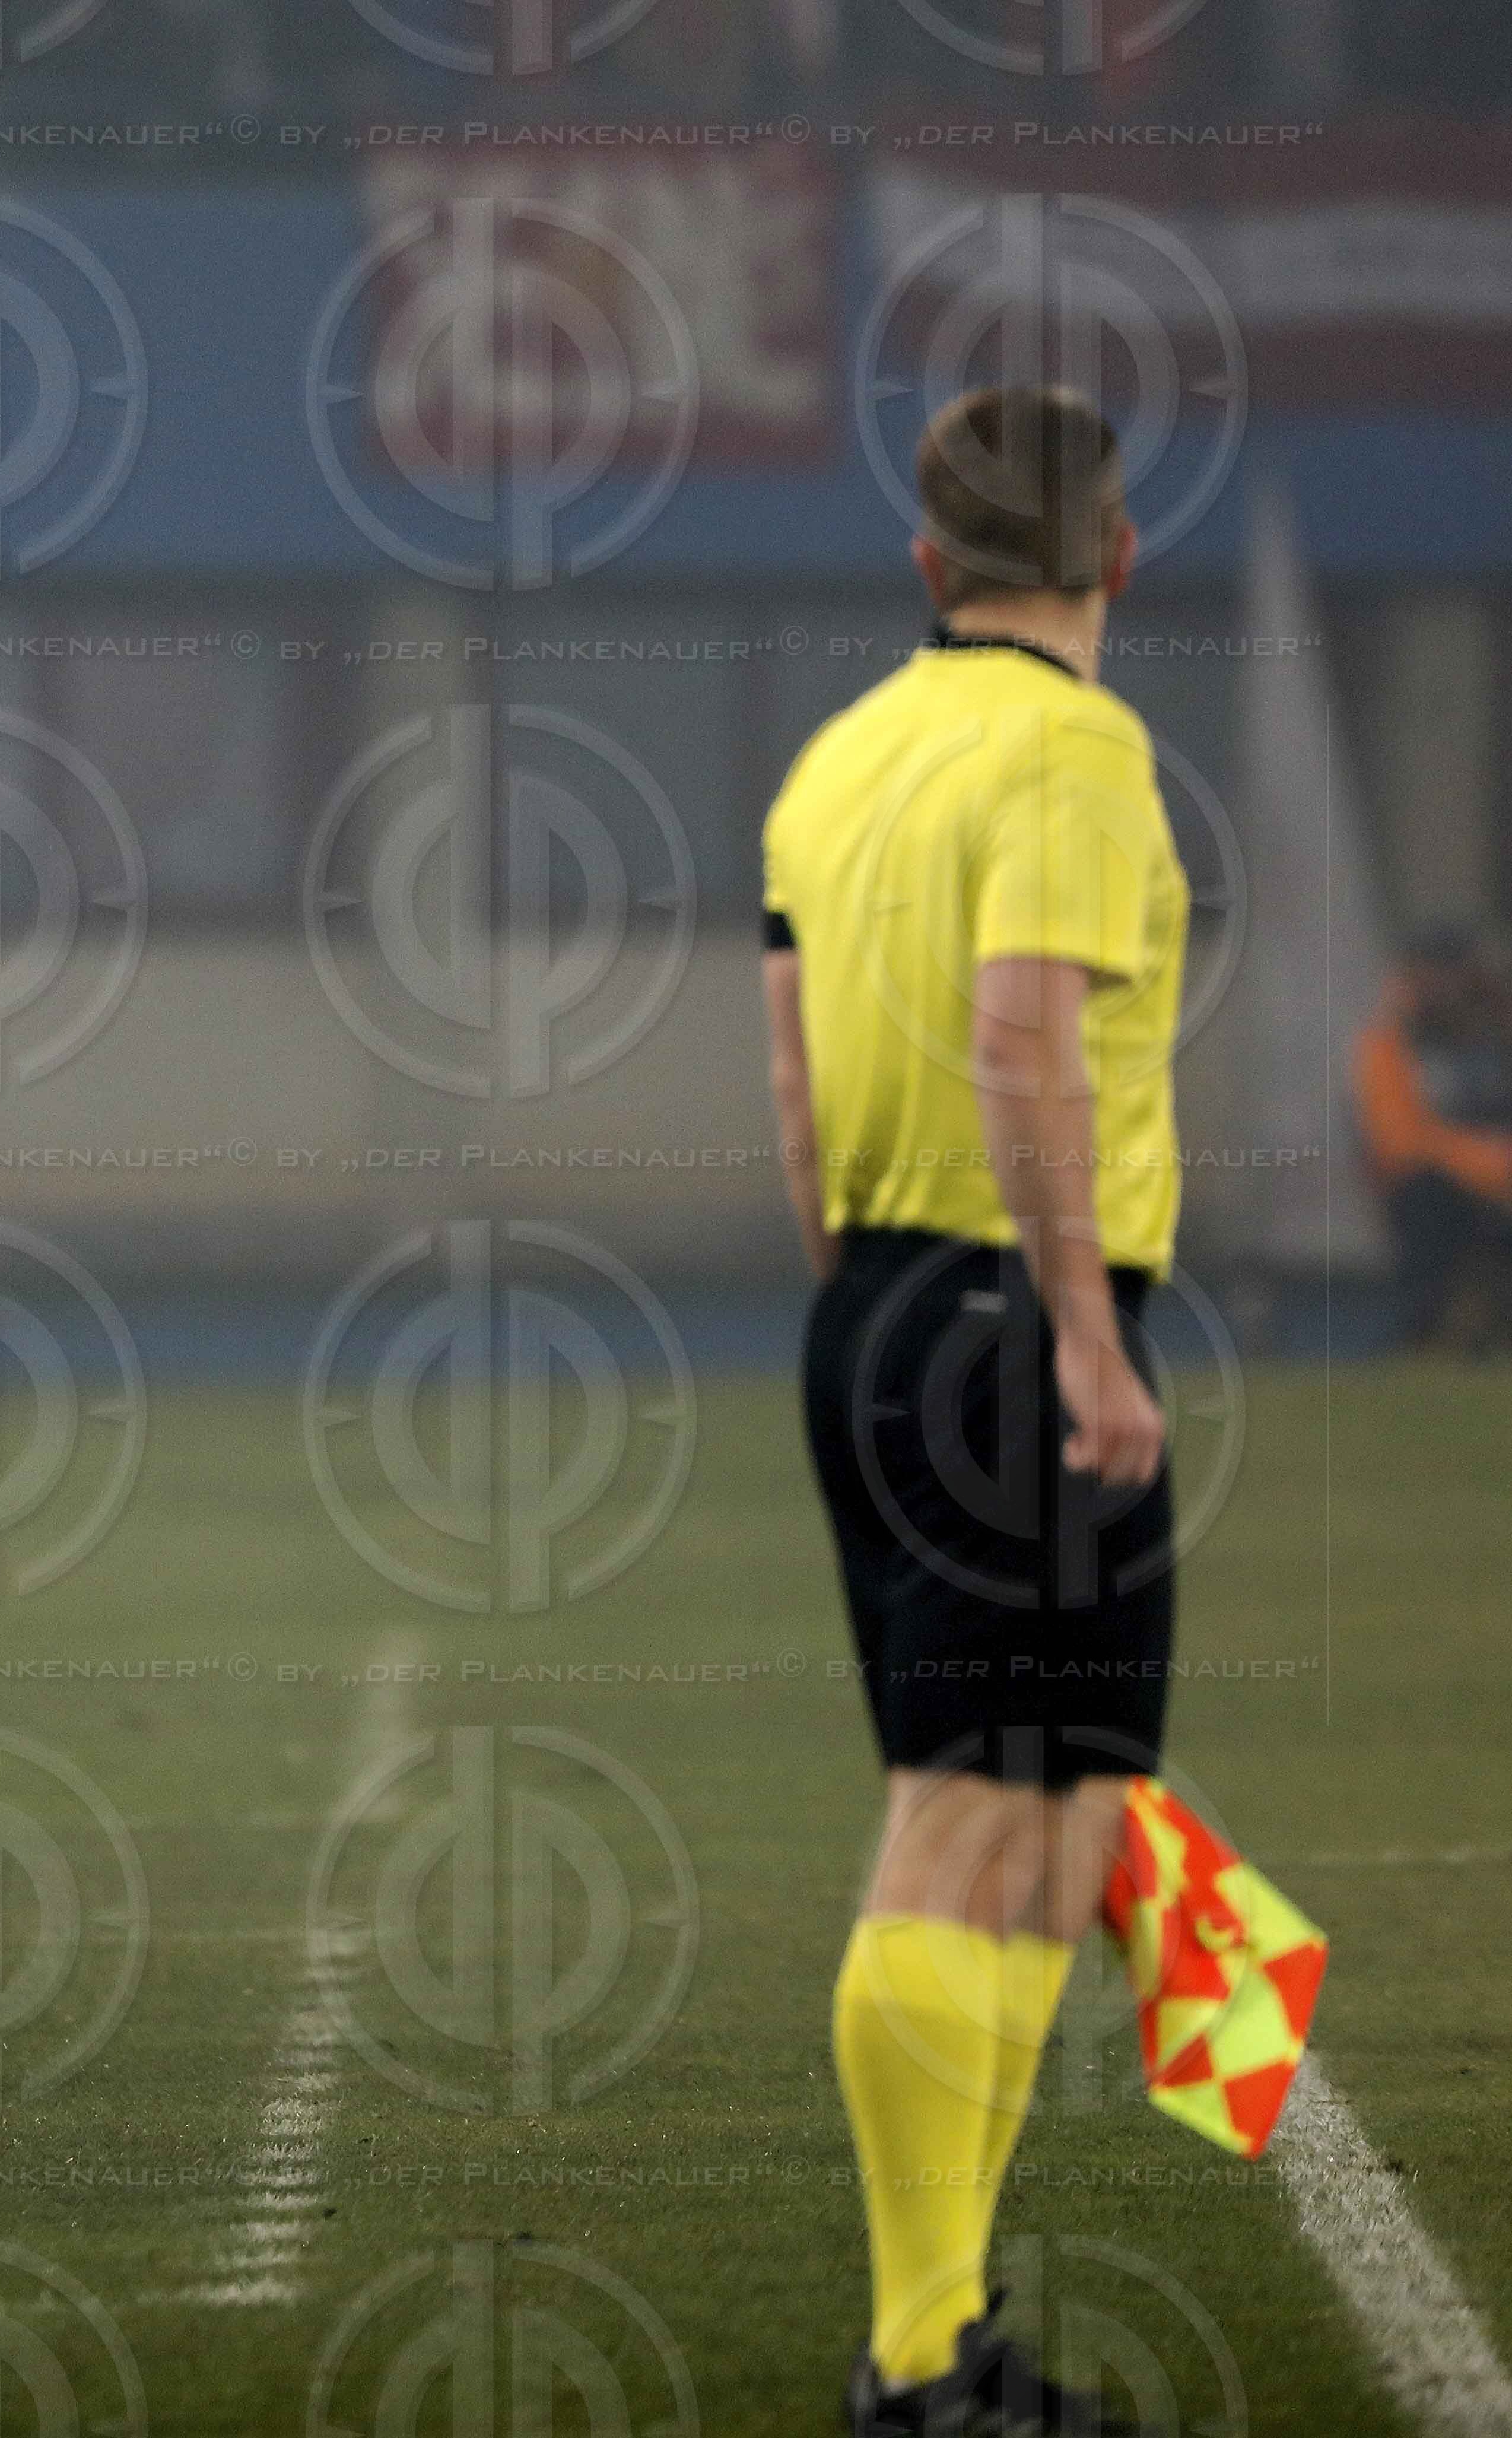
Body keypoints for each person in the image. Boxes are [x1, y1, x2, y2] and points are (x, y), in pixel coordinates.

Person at [761, 386, 1189, 2438]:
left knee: (1052, 1811)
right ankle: (919, 2357)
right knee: (971, 1815)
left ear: (929, 568)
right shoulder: (1078, 748)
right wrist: (1086, 1336)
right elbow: (1027, 1039)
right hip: (1014, 1313)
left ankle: (944, 2340)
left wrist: (868, 1307)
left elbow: (795, 1077)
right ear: (1119, 557)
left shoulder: (842, 756)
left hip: (876, 1296)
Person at [1351, 926, 1512, 1351]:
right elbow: (1400, 1144)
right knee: (1427, 1198)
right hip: (1436, 1191)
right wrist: (1489, 1165)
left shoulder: (1494, 1035)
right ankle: (1425, 1331)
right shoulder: (1390, 1042)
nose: (1446, 988)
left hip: (1488, 1184)